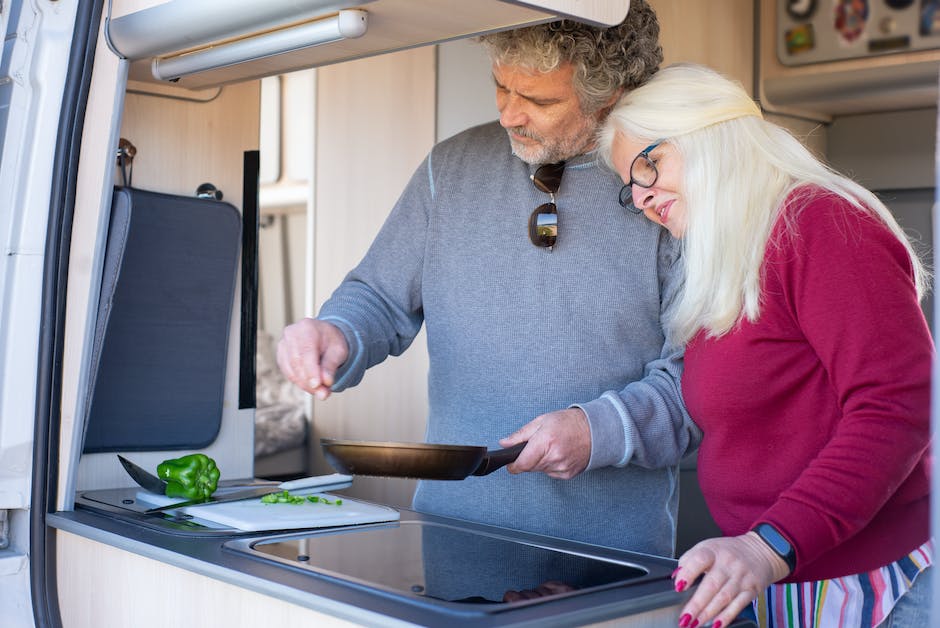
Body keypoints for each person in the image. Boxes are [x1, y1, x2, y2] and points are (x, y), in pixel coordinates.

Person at [277, 4, 701, 555]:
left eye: (539, 100)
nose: (508, 115)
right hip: (454, 538)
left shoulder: (669, 192)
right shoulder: (448, 168)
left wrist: (595, 431)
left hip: (611, 556)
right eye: (500, 87)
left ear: (612, 96)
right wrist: (337, 332)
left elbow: (696, 384)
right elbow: (378, 298)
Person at [598, 62, 933, 628]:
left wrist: (767, 545)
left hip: (871, 582)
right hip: (783, 574)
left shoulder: (821, 224)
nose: (642, 195)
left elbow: (899, 406)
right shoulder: (729, 258)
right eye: (630, 185)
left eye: (649, 164)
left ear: (712, 135)